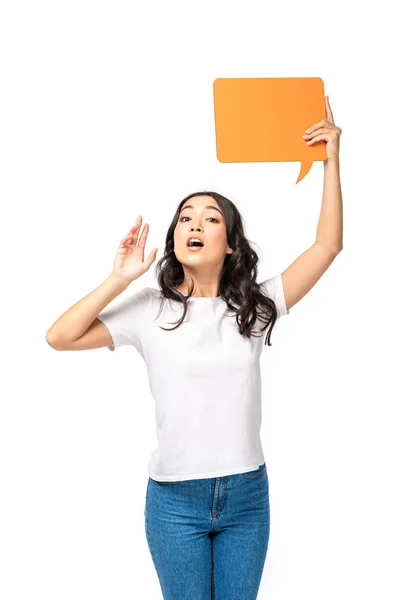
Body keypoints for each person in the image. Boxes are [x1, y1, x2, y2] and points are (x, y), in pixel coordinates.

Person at [46, 100, 343, 600]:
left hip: (248, 496)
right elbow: (60, 337)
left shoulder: (256, 305)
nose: (194, 226)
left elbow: (326, 246)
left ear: (230, 243)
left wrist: (332, 159)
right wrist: (119, 277)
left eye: (209, 219)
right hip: (174, 502)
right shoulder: (147, 309)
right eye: (185, 218)